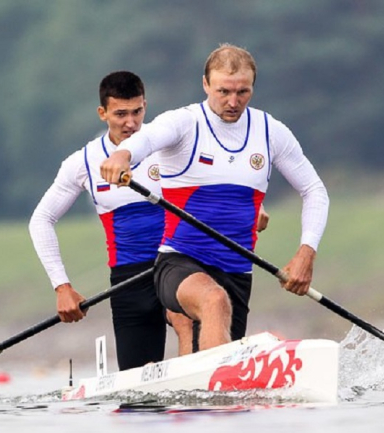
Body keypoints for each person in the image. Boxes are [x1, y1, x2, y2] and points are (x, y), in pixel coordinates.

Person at [100, 44, 329, 352]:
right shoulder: (185, 122)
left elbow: (314, 191)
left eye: (243, 92)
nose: (233, 102)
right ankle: (215, 378)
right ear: (206, 84)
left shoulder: (270, 131)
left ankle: (205, 378)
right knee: (214, 300)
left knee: (217, 331)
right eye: (223, 91)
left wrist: (306, 253)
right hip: (179, 260)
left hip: (237, 271)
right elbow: (148, 138)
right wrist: (123, 154)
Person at [29, 71, 191, 370]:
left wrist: (249, 209)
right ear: (102, 113)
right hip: (129, 278)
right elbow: (41, 219)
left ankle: (196, 379)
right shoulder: (82, 162)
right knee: (138, 383)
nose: (131, 123)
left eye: (137, 112)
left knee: (184, 317)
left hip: (178, 263)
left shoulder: (169, 145)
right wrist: (62, 287)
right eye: (120, 114)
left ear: (145, 106)